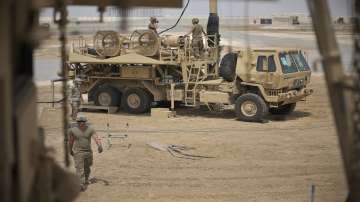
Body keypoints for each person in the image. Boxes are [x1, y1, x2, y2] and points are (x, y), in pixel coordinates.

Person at [68, 114, 103, 191]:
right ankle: (80, 184)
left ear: (85, 122)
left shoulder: (90, 129)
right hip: (78, 152)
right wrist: (70, 150)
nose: (81, 123)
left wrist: (99, 146)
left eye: (83, 121)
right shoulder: (73, 130)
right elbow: (71, 141)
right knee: (80, 169)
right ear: (77, 122)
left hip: (88, 152)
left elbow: (96, 138)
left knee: (87, 168)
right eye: (79, 121)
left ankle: (86, 179)